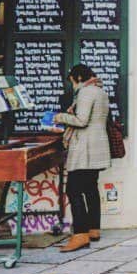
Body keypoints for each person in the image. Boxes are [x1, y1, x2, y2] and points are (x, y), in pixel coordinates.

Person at [53, 64, 111, 253]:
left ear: (77, 77)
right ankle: (94, 229)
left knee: (73, 189)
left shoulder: (86, 92)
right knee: (90, 188)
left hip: (85, 147)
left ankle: (80, 234)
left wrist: (60, 117)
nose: (72, 86)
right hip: (98, 145)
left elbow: (81, 120)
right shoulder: (101, 91)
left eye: (72, 81)